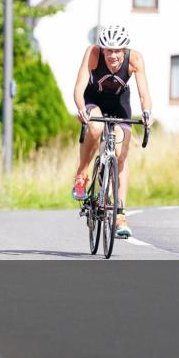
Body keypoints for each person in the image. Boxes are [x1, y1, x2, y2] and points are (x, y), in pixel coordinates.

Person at [71, 24, 152, 239]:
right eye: (109, 50)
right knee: (96, 127)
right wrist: (81, 108)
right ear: (102, 48)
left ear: (125, 50)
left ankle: (120, 215)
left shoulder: (135, 59)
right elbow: (79, 87)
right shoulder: (93, 53)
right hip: (93, 100)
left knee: (120, 154)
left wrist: (146, 113)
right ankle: (82, 172)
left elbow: (144, 93)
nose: (113, 55)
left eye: (118, 50)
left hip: (120, 104)